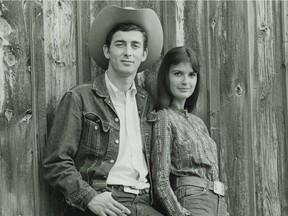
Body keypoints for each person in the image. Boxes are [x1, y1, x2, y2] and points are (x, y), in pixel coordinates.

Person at [43, 5, 164, 216]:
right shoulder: (80, 98)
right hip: (105, 200)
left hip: (145, 203)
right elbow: (56, 162)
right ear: (107, 50)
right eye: (120, 44)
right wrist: (90, 198)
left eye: (135, 45)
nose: (128, 52)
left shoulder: (148, 104)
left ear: (143, 54)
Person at [151, 46, 229, 216]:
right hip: (192, 200)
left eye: (192, 74)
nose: (186, 81)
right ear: (166, 77)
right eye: (178, 73)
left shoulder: (198, 122)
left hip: (219, 202)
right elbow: (161, 181)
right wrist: (179, 213)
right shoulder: (164, 117)